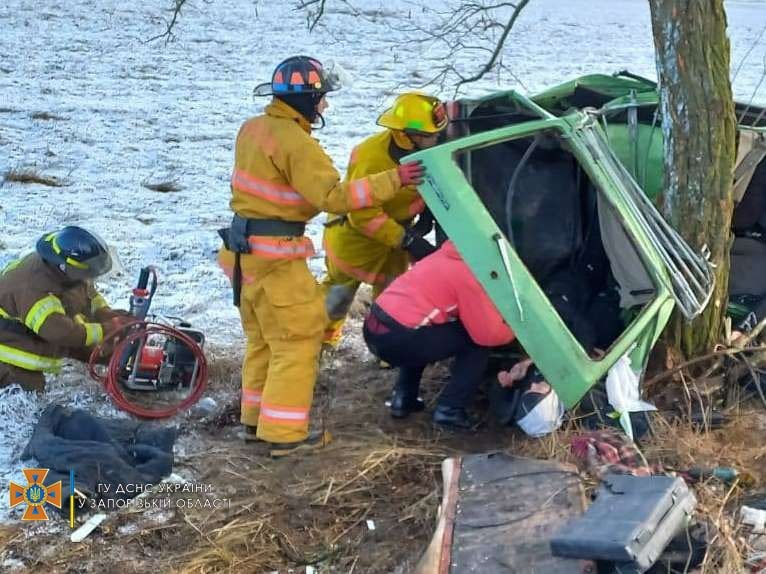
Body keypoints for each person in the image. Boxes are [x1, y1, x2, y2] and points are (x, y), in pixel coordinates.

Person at [218, 56, 426, 457]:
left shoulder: (253, 128)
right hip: (276, 258)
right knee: (297, 342)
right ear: (305, 99)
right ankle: (285, 437)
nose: (325, 105)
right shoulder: (296, 143)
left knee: (264, 341)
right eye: (321, 98)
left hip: (243, 254)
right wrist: (396, 178)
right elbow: (333, 197)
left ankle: (255, 424)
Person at [322, 92, 448, 347]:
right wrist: (406, 240)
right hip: (355, 242)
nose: (437, 139)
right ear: (406, 136)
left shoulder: (426, 153)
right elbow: (361, 214)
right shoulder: (370, 157)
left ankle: (387, 351)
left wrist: (426, 215)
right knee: (337, 298)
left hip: (395, 244)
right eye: (429, 135)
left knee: (392, 302)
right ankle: (320, 344)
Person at [362, 240, 515, 429]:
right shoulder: (471, 274)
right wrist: (513, 331)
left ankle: (402, 398)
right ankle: (449, 411)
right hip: (399, 338)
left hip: (374, 326)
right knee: (476, 343)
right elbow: (488, 335)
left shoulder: (444, 255)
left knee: (423, 328)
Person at [0, 226, 130, 392]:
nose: (90, 279)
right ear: (68, 268)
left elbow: (87, 292)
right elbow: (63, 333)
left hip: (37, 321)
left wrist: (103, 312)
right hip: (7, 337)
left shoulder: (60, 266)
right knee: (28, 389)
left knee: (90, 342)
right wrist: (106, 329)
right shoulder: (35, 291)